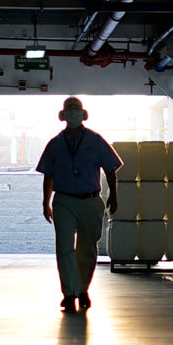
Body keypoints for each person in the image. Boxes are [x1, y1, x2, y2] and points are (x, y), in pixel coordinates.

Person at [35, 96, 121, 313]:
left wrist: (114, 195)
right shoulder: (55, 144)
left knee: (88, 248)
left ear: (84, 114)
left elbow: (110, 168)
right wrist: (46, 203)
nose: (73, 113)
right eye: (69, 109)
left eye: (76, 109)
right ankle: (70, 293)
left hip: (91, 200)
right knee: (64, 247)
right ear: (63, 115)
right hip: (64, 200)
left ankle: (82, 288)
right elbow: (48, 176)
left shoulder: (95, 140)